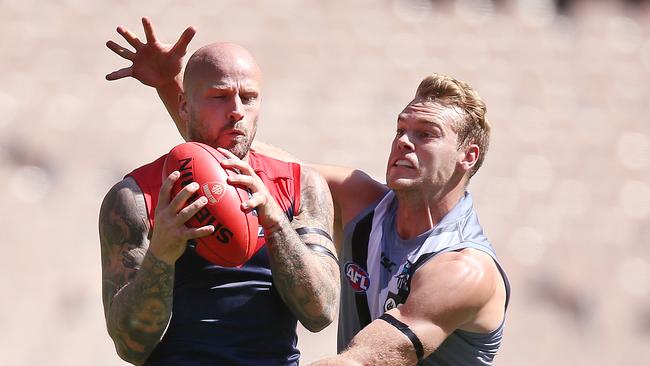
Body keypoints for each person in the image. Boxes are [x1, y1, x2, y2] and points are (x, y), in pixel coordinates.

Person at [107, 18, 511, 366]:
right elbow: (227, 157)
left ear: (468, 156)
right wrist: (174, 88)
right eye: (400, 129)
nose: (404, 142)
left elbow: (367, 358)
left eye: (424, 135)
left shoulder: (463, 270)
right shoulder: (362, 203)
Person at [99, 17, 340, 366]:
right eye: (220, 97)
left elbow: (321, 313)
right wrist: (162, 255)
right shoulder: (136, 197)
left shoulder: (300, 186)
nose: (237, 112)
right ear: (184, 105)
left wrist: (275, 224)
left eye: (249, 98)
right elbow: (130, 345)